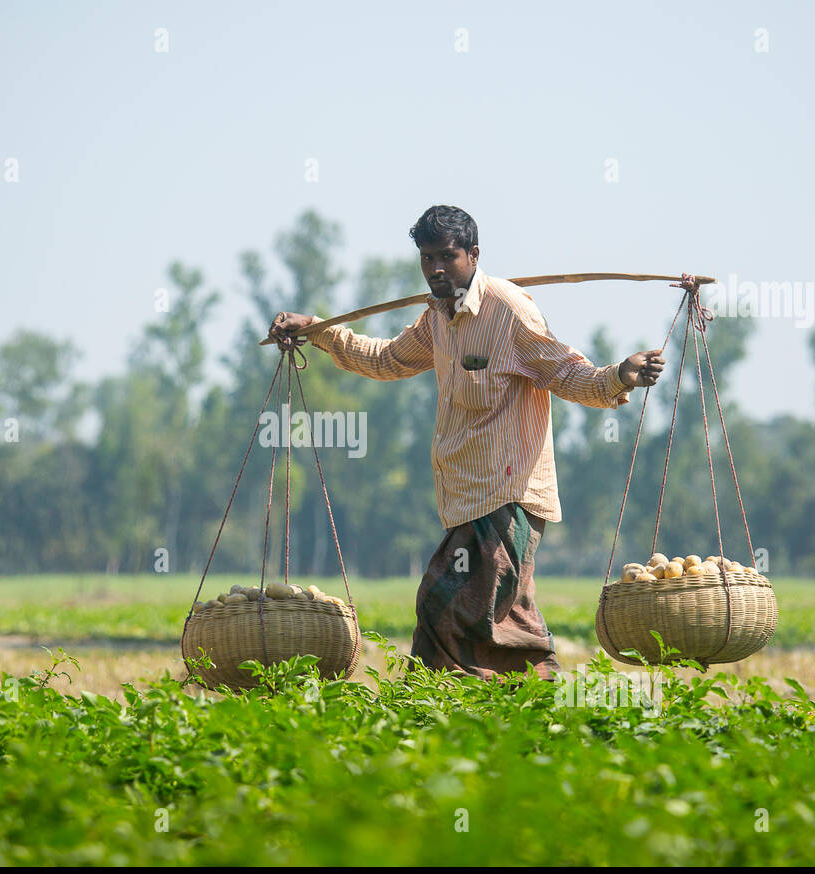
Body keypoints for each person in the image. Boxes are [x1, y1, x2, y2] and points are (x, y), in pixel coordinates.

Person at [267, 205, 665, 682]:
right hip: (465, 496)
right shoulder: (437, 317)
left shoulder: (509, 309)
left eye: (447, 257)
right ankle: (508, 702)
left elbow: (564, 371)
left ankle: (444, 698)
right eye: (427, 258)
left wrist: (618, 376)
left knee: (448, 603)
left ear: (474, 255)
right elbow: (388, 359)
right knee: (498, 613)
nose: (436, 269)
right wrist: (319, 331)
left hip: (508, 494)